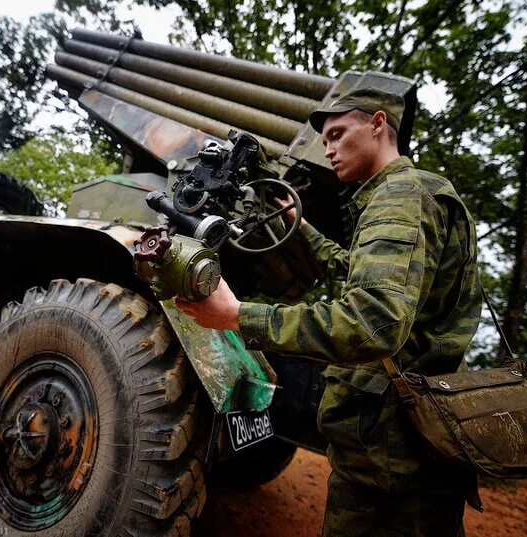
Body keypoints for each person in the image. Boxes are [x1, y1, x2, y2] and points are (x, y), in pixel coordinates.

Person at [176, 87, 483, 536]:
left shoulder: (400, 197)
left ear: (379, 123)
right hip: (407, 446)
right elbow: (356, 269)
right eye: (325, 140)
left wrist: (238, 315)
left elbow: (371, 322)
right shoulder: (418, 194)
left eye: (339, 134)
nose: (329, 149)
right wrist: (300, 227)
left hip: (388, 456)